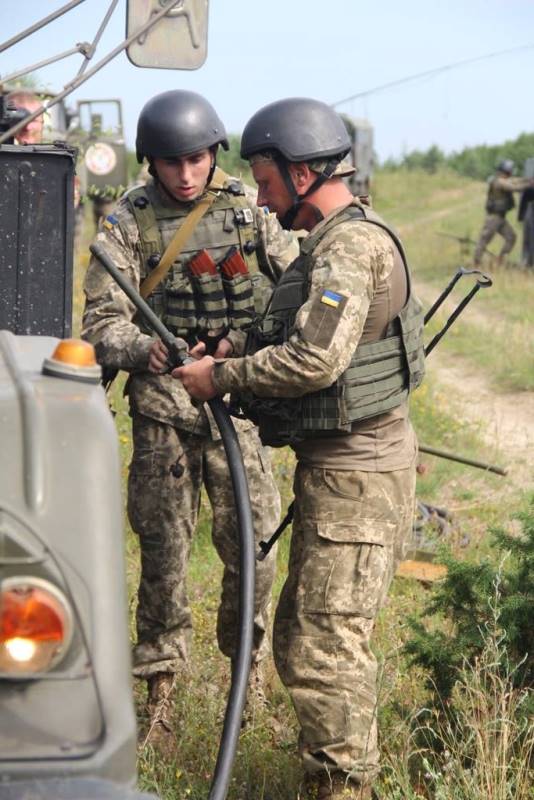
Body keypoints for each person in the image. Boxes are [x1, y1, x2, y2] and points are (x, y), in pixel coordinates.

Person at [175, 98, 425, 799]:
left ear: (303, 173)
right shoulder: (338, 239)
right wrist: (235, 351)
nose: (260, 198)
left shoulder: (348, 248)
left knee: (325, 650)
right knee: (301, 635)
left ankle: (343, 788)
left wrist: (220, 378)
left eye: (265, 181)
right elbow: (307, 340)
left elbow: (316, 361)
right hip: (345, 473)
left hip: (357, 479)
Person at [82, 90, 298, 748]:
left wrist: (244, 342)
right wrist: (141, 348)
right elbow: (99, 323)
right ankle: (161, 698)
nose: (185, 174)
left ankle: (248, 677)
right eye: (172, 162)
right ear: (150, 161)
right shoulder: (126, 221)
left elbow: (294, 288)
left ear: (214, 154)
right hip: (163, 413)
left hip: (238, 405)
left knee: (254, 551)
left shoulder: (251, 210)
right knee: (164, 557)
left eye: (197, 159)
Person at [473, 158, 534, 266]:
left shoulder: (503, 180)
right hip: (494, 218)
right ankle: (476, 262)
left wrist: (527, 180)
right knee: (484, 240)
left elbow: (516, 180)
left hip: (500, 218)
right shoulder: (499, 182)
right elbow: (514, 187)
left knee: (511, 237)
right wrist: (529, 184)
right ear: (507, 170)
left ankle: (500, 260)